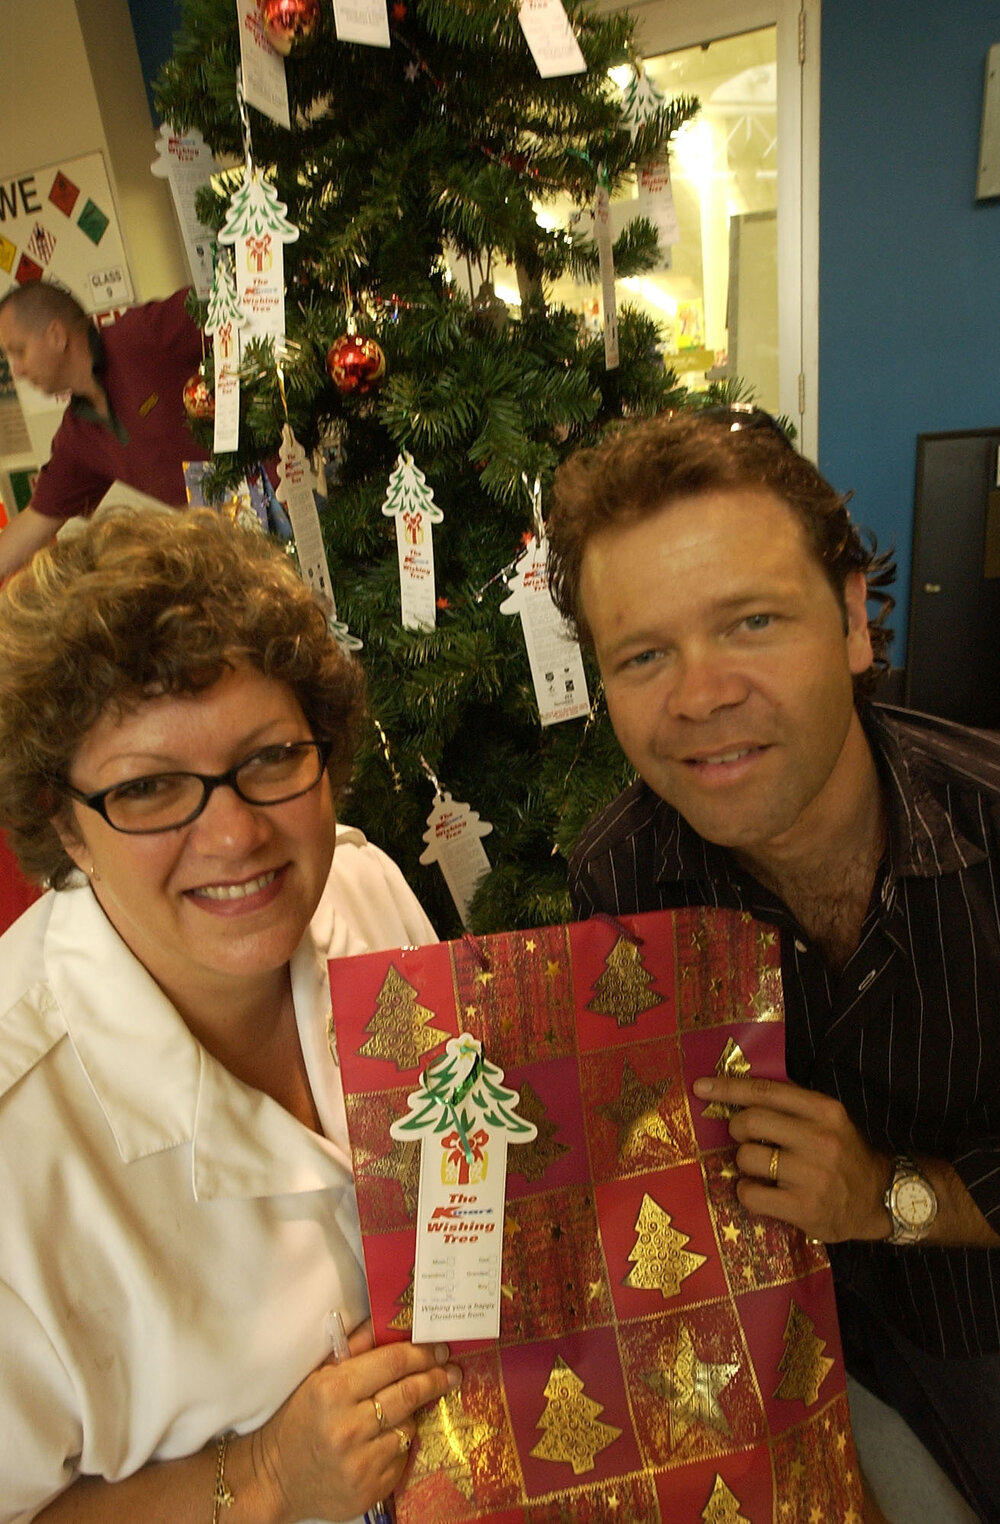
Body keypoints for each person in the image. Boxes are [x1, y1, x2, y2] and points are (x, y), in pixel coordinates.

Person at [546, 407, 1000, 1522]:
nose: (699, 696)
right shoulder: (622, 881)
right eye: (644, 655)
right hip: (787, 1357)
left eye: (750, 622)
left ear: (852, 620)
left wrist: (889, 1195)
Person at [0, 506, 460, 1523]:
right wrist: (254, 1481)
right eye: (152, 787)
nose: (235, 834)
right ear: (62, 825)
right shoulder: (15, 1143)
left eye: (267, 758)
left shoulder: (368, 892)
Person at [0, 283, 209, 579]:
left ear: (56, 336)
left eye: (19, 351)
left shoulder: (141, 336)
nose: (17, 370)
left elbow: (241, 304)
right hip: (245, 545)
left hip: (290, 485)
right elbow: (34, 522)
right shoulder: (78, 436)